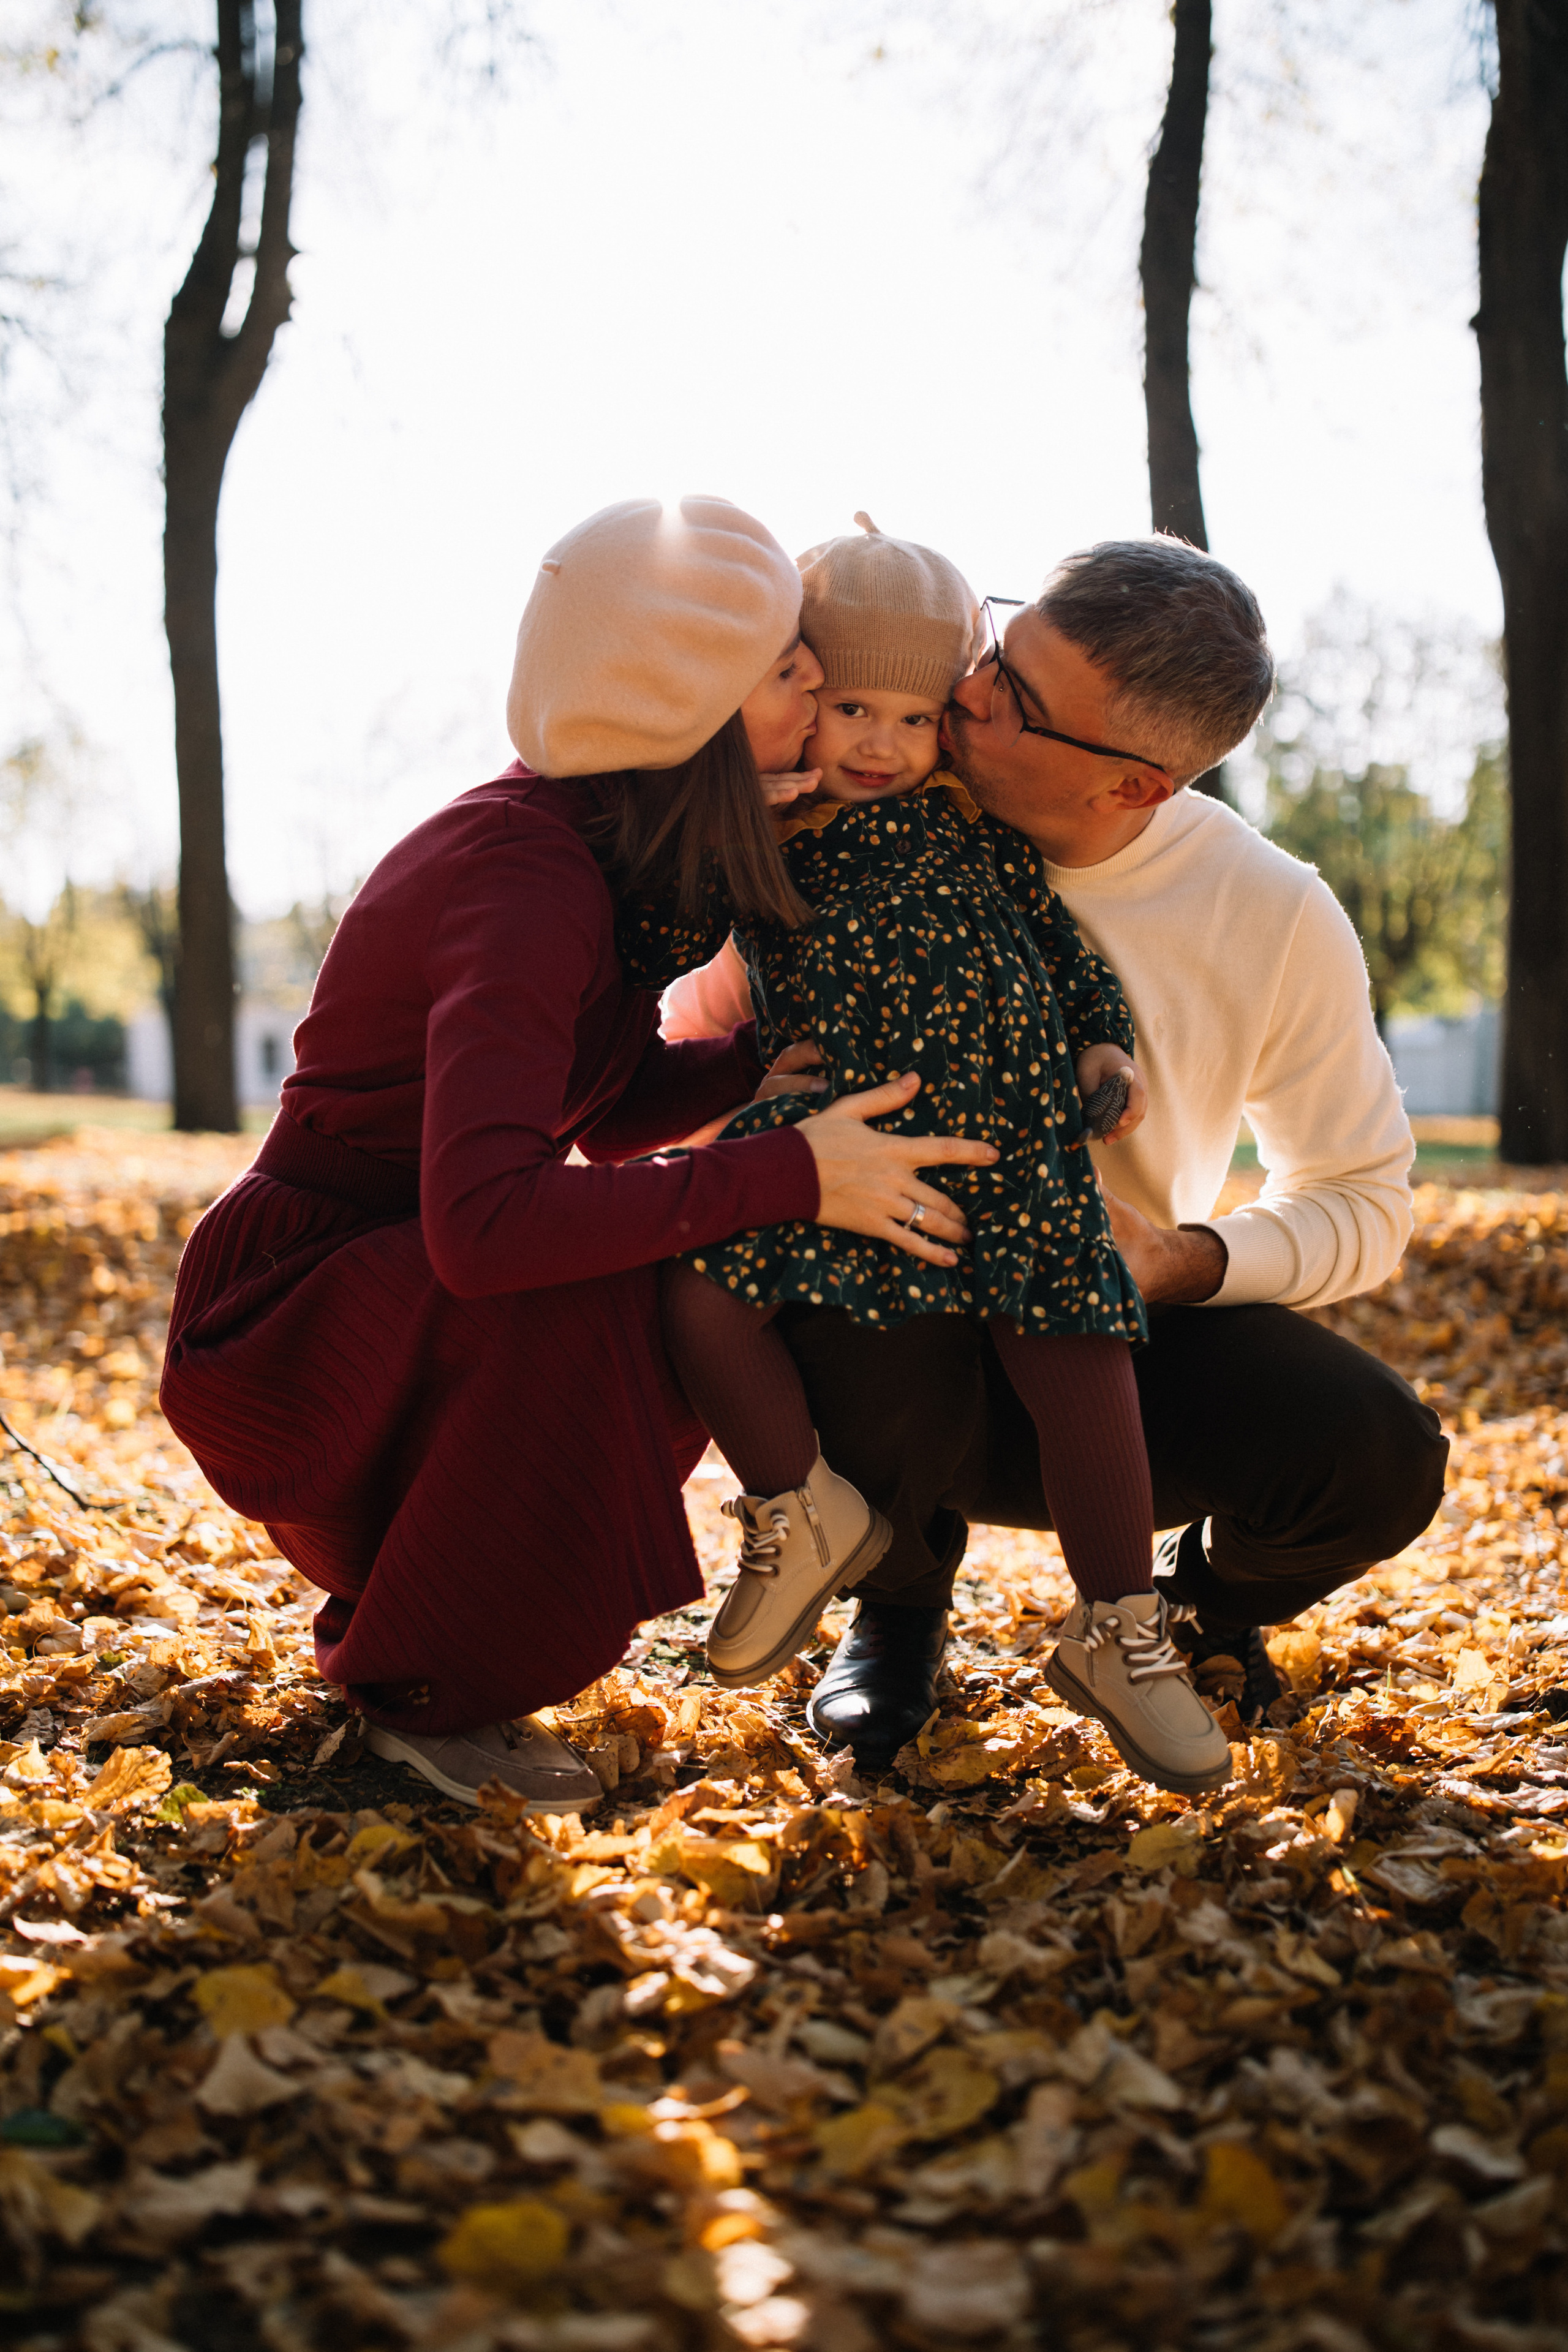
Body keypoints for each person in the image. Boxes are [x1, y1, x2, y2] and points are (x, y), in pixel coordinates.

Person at [159, 495, 996, 1812]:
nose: (816, 689)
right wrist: (792, 1170)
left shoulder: (595, 844)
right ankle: (428, 1685)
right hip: (300, 1319)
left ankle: (445, 1627)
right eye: (787, 669)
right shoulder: (523, 876)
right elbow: (485, 1226)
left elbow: (601, 1111)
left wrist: (751, 1069)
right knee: (631, 1279)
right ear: (686, 703)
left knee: (651, 1248)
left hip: (383, 1279)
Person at [683, 535, 1450, 1770]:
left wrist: (1182, 1259)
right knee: (842, 1277)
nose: (967, 691)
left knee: (1376, 1452)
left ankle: (1186, 1612)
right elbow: (692, 1039)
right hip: (893, 1305)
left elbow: (1364, 1199)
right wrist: (749, 1103)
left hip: (1101, 1326)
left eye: (1017, 700)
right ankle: (898, 1605)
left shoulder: (1268, 909)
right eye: (997, 647)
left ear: (1134, 785)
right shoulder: (849, 810)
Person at [659, 518, 1231, 1795]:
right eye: (851, 709)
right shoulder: (758, 841)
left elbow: (1057, 944)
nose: (882, 743)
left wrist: (1100, 1039)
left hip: (1017, 1133)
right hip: (847, 1134)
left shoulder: (972, 826)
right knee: (698, 1290)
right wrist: (738, 806)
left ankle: (1120, 1626)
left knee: (1080, 1360)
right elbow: (665, 928)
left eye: (916, 718)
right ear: (797, 696)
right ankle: (797, 1508)